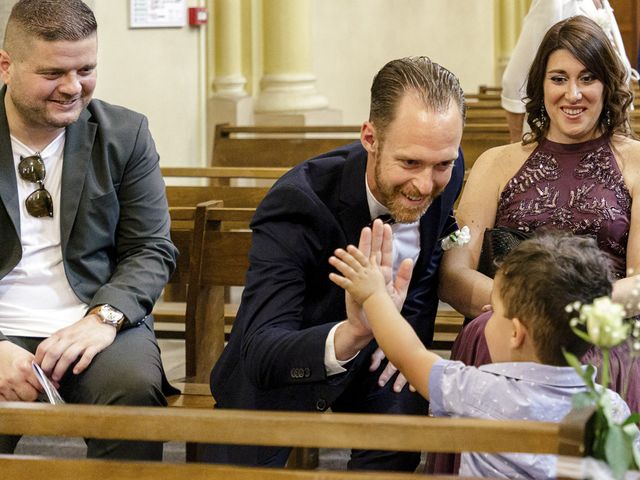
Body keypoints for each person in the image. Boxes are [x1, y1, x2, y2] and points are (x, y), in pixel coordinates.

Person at [207, 56, 466, 471]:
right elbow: (260, 350)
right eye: (409, 163)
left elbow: (420, 278)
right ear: (369, 137)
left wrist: (406, 346)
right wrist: (352, 333)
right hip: (286, 366)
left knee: (399, 435)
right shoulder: (297, 203)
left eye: (442, 164)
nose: (424, 184)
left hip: (382, 361)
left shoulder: (447, 172)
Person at [0, 0, 177, 460]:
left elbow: (151, 249)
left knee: (133, 394)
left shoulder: (125, 134)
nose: (73, 88)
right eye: (53, 73)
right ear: (6, 66)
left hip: (93, 316)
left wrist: (104, 319)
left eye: (86, 69)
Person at [440, 15, 640, 413]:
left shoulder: (636, 162)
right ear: (540, 85)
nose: (573, 93)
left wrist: (571, 315)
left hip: (601, 324)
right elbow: (453, 271)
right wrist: (516, 308)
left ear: (607, 86)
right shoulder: (496, 164)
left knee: (608, 347)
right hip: (505, 319)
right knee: (486, 332)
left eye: (588, 78)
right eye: (559, 78)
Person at [329, 228, 632, 479]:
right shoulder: (612, 408)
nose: (487, 311)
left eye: (495, 310)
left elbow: (408, 355)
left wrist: (373, 295)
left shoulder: (479, 389)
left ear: (516, 333)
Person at [502, 0, 634, 143]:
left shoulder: (603, 3)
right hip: (557, 139)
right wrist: (517, 145)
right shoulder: (551, 3)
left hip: (603, 137)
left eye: (588, 78)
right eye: (559, 79)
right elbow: (514, 79)